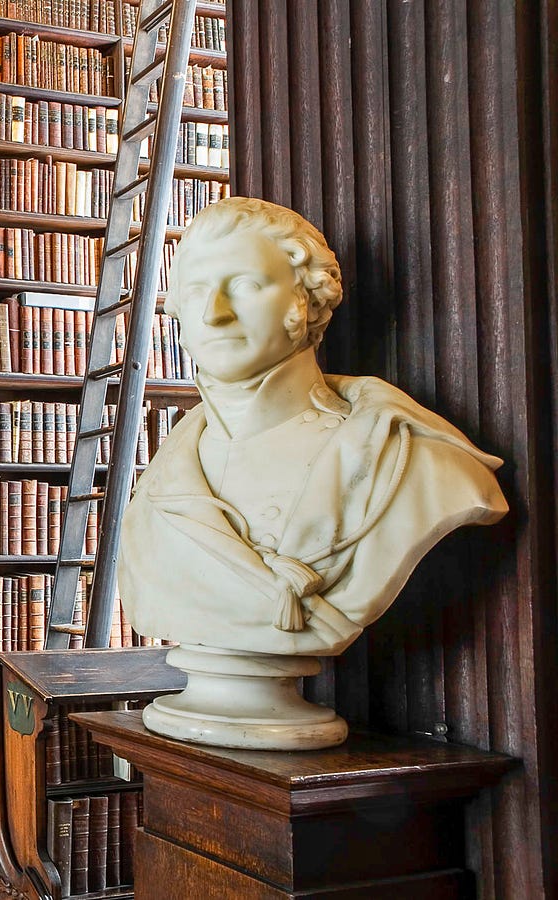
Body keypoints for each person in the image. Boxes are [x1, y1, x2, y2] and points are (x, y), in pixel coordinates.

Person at [118, 197, 507, 748]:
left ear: (307, 299)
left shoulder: (415, 465)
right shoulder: (164, 477)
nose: (214, 314)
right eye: (197, 291)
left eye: (246, 286)